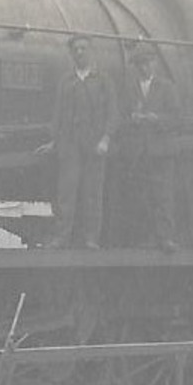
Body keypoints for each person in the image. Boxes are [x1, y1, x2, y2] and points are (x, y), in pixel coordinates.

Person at [45, 35, 118, 249]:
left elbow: (113, 113)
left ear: (91, 51)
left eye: (83, 48)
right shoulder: (66, 81)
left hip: (94, 145)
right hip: (70, 145)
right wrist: (54, 141)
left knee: (92, 194)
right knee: (66, 193)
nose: (80, 52)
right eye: (76, 49)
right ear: (71, 53)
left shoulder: (103, 80)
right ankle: (62, 237)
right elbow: (58, 114)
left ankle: (91, 238)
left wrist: (105, 139)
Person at [116, 47, 183, 252]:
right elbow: (121, 118)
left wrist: (157, 119)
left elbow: (177, 119)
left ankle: (166, 238)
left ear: (154, 64)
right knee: (143, 195)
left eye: (147, 63)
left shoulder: (166, 87)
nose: (144, 68)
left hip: (160, 150)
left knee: (163, 195)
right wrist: (132, 120)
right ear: (136, 67)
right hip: (138, 151)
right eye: (140, 64)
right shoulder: (130, 89)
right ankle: (149, 237)